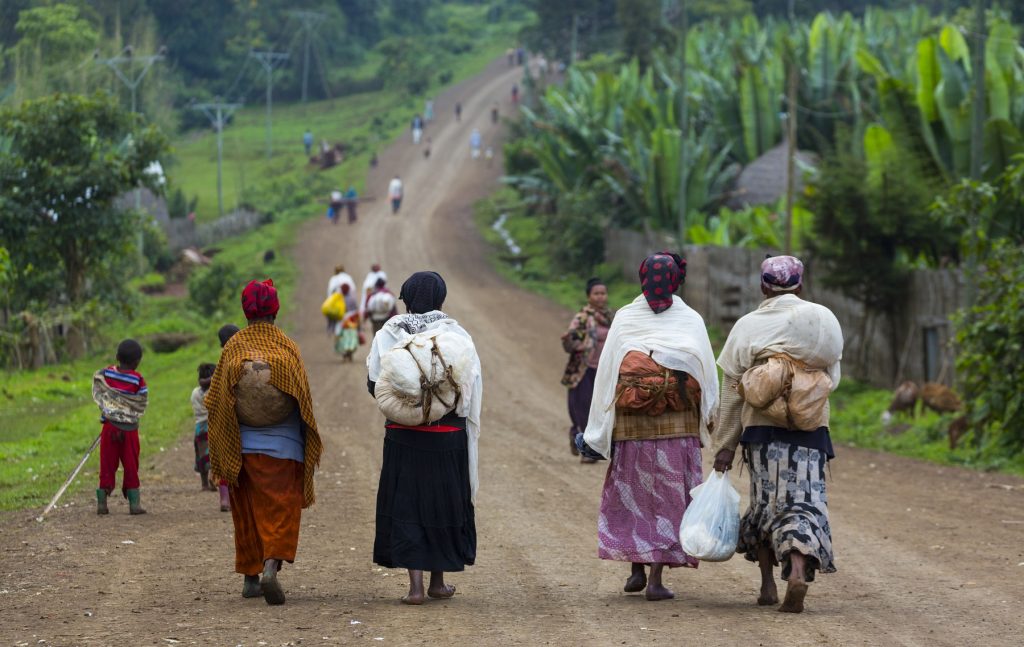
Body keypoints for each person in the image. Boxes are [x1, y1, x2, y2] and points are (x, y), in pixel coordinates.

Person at [578, 253, 719, 601]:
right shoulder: (690, 320)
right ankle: (655, 579)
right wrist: (709, 415)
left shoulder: (626, 318)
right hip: (677, 430)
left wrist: (600, 426)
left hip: (632, 430)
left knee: (633, 497)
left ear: (642, 279)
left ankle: (637, 569)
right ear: (676, 281)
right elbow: (707, 374)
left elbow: (607, 374)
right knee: (670, 502)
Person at [711, 255, 843, 614]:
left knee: (766, 502)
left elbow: (732, 391)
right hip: (811, 430)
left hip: (762, 431)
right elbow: (833, 378)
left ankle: (768, 585)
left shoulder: (748, 325)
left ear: (762, 287)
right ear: (801, 285)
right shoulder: (822, 320)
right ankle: (797, 569)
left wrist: (724, 445)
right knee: (804, 503)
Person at [367, 271, 482, 604]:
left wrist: (411, 407)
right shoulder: (457, 335)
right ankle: (438, 583)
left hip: (402, 435)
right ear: (441, 299)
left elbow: (374, 384)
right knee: (442, 505)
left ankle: (415, 588)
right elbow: (469, 388)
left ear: (405, 299)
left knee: (407, 504)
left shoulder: (388, 333)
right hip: (447, 436)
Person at [206, 279, 323, 606]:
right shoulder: (287, 347)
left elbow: (215, 400)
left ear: (246, 312)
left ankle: (250, 579)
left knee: (247, 514)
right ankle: (271, 566)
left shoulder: (233, 348)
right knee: (281, 510)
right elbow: (303, 400)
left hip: (241, 453)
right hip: (284, 451)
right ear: (275, 311)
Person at [91, 339, 150, 515]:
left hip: (109, 427)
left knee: (107, 464)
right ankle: (134, 505)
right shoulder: (138, 379)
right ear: (137, 362)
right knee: (131, 464)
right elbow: (141, 401)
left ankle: (102, 503)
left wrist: (109, 411)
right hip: (129, 430)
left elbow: (101, 391)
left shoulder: (107, 373)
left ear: (117, 356)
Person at [561, 278, 613, 464]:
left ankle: (584, 440)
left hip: (604, 371)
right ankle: (586, 448)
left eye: (603, 293)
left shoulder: (611, 318)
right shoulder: (582, 318)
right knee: (583, 407)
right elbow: (569, 343)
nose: (600, 297)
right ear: (589, 296)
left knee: (601, 409)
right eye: (596, 293)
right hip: (583, 369)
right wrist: (573, 342)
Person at [191, 363, 217, 493]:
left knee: (202, 455)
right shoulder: (213, 392)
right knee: (214, 454)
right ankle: (213, 478)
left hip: (199, 428)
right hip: (212, 425)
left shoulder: (195, 392)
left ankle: (204, 484)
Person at [334, 284, 360, 362]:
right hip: (351, 322)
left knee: (342, 338)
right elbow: (356, 311)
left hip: (341, 321)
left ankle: (344, 355)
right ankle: (350, 354)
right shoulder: (352, 299)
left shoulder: (339, 299)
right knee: (351, 337)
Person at [326, 265, 356, 333]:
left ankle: (332, 329)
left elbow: (330, 292)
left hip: (337, 302)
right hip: (349, 301)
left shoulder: (333, 279)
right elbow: (353, 290)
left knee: (337, 321)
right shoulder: (348, 277)